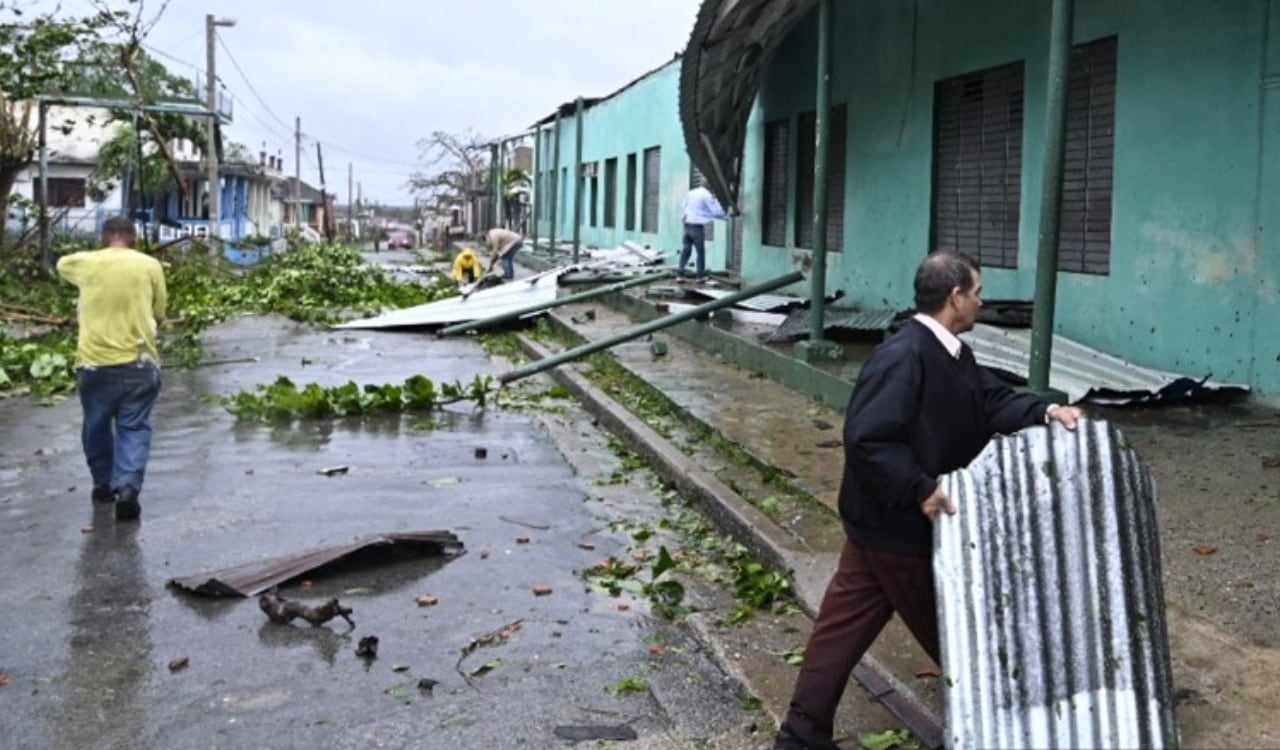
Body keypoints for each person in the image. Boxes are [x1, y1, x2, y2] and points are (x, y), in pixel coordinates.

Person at [773, 250, 1083, 750]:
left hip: (879, 527)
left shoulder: (950, 352)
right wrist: (921, 488)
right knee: (956, 633)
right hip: (901, 530)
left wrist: (1047, 413)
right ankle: (1004, 725)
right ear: (956, 297)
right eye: (977, 293)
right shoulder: (904, 355)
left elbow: (992, 399)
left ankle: (800, 735)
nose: (981, 302)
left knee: (841, 630)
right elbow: (868, 438)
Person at [56, 216, 167, 522]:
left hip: (94, 364)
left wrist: (98, 258)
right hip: (140, 363)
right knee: (133, 425)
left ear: (104, 238)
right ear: (133, 239)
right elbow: (159, 312)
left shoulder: (85, 264)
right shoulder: (149, 265)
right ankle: (128, 487)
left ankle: (103, 484)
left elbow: (62, 264)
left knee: (96, 423)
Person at [677, 178, 727, 281]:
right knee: (700, 251)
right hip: (696, 226)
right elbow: (716, 212)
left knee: (686, 249)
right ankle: (700, 276)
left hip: (687, 224)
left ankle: (680, 275)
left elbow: (683, 206)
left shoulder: (691, 193)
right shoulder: (707, 195)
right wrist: (725, 214)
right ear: (709, 185)